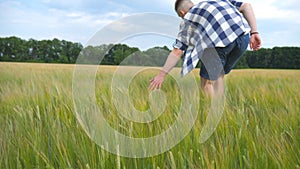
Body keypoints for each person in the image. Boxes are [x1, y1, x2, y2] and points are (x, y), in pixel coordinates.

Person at [149, 0, 261, 97]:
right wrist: (254, 32)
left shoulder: (188, 19)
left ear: (182, 13)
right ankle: (221, 108)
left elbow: (178, 51)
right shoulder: (216, 1)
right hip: (243, 38)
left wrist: (162, 74)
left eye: (181, 16)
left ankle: (214, 112)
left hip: (220, 44)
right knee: (218, 75)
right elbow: (247, 6)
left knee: (206, 83)